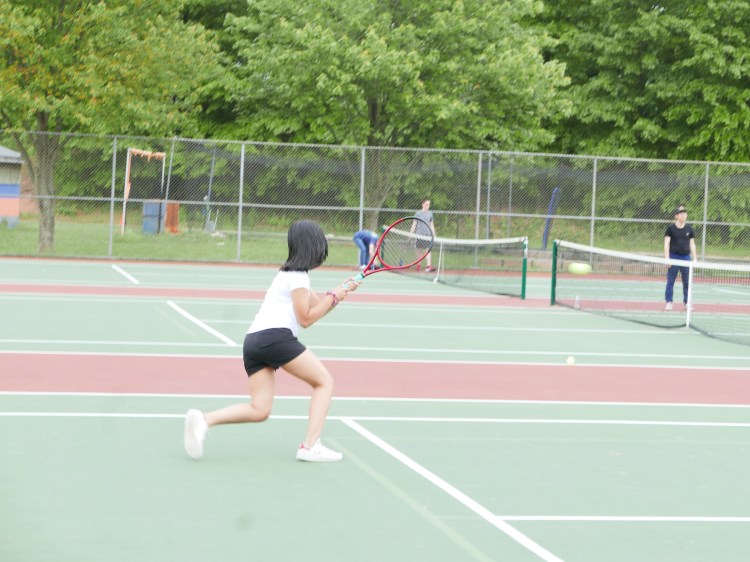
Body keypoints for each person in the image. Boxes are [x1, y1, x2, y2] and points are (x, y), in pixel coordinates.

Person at [183, 220, 359, 462]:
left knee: (260, 409)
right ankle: (310, 446)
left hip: (254, 342)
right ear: (314, 246)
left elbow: (318, 307)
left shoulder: (289, 274)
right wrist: (333, 296)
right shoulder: (298, 277)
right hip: (275, 338)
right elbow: (306, 319)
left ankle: (204, 420)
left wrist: (338, 293)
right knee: (324, 382)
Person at [664, 205, 697, 311]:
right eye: (680, 213)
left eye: (684, 213)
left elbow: (692, 244)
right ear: (676, 216)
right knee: (670, 281)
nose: (683, 215)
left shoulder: (689, 229)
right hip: (673, 257)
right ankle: (669, 302)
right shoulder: (670, 229)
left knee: (687, 282)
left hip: (686, 258)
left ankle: (687, 303)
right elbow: (666, 244)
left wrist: (695, 258)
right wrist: (667, 258)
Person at [412, 199, 437, 272]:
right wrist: (411, 233)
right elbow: (414, 224)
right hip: (419, 235)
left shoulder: (430, 213)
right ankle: (418, 265)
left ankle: (428, 266)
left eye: (429, 205)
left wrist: (434, 234)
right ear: (423, 205)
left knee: (428, 250)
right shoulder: (418, 213)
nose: (428, 206)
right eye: (426, 204)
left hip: (427, 235)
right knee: (419, 250)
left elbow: (431, 224)